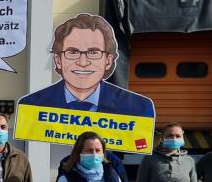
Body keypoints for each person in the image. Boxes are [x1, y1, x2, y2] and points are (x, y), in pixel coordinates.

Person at [18, 14, 154, 117]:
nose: (82, 62)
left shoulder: (139, 108)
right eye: (72, 52)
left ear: (108, 60)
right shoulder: (31, 105)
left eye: (93, 52)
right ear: (58, 59)